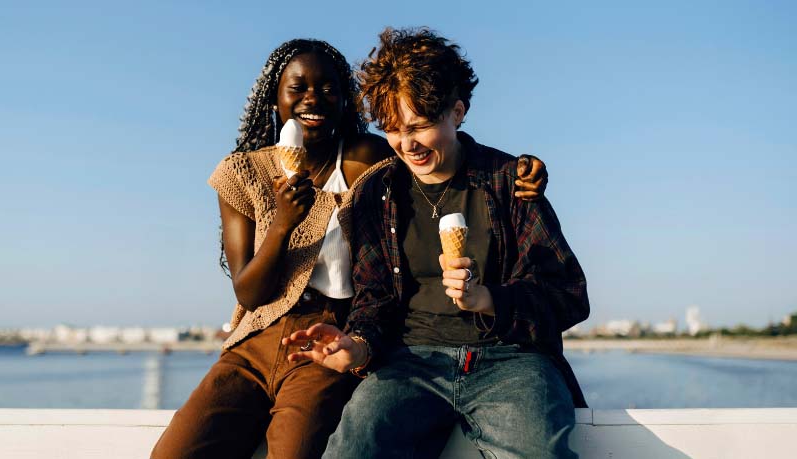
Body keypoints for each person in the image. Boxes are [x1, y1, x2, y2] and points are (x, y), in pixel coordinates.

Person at [151, 38, 548, 459]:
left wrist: (518, 169)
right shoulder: (242, 172)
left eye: (327, 88)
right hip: (259, 335)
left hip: (329, 331)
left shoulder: (371, 162)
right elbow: (249, 294)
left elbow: (437, 139)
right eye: (297, 87)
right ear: (274, 99)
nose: (312, 99)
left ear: (347, 102)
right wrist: (284, 222)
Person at [284, 28, 589, 459]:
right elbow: (375, 298)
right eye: (392, 129)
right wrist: (357, 346)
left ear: (457, 111)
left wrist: (489, 299)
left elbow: (569, 296)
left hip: (514, 363)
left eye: (420, 126)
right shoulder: (377, 194)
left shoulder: (510, 182)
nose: (406, 144)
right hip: (410, 364)